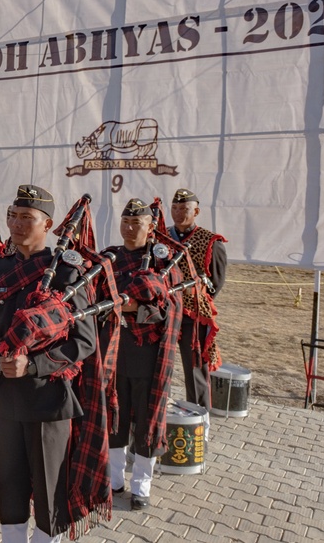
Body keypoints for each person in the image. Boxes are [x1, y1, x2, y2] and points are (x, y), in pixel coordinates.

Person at [0, 185, 96, 543]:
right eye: (12, 215)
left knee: (48, 488)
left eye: (27, 217)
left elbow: (84, 342)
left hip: (49, 398)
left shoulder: (67, 272)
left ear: (48, 224)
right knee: (8, 483)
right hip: (4, 397)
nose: (16, 223)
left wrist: (34, 365)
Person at [101, 198, 182, 511]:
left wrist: (137, 310)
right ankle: (114, 480)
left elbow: (173, 308)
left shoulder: (164, 261)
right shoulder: (109, 258)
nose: (130, 228)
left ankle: (141, 486)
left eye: (137, 223)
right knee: (115, 416)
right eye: (126, 222)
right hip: (113, 352)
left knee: (147, 421)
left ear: (151, 228)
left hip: (148, 356)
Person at [168, 188, 227, 412]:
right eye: (175, 208)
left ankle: (199, 416)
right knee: (159, 364)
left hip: (194, 313)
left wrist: (195, 300)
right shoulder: (162, 236)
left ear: (196, 211)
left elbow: (216, 282)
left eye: (184, 208)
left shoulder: (210, 241)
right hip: (165, 310)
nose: (178, 212)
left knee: (194, 368)